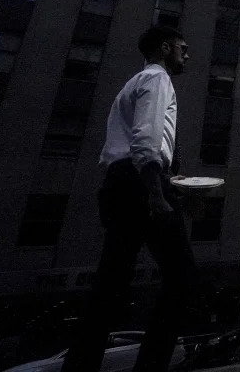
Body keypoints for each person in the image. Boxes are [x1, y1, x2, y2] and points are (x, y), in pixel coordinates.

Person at [61, 25, 196, 372]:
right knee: (182, 278)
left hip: (120, 183)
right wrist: (156, 193)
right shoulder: (157, 79)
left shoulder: (131, 84)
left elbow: (131, 144)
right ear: (165, 47)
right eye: (182, 47)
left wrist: (168, 179)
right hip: (140, 183)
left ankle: (79, 365)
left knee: (110, 285)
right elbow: (147, 137)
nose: (186, 54)